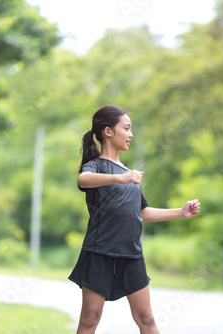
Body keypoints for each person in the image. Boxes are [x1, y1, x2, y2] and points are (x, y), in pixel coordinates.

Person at [69, 105, 200, 334]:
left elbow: (141, 212)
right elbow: (84, 180)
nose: (130, 134)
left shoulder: (129, 174)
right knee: (90, 319)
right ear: (108, 132)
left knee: (147, 319)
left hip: (131, 254)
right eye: (126, 128)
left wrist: (180, 212)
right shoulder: (100, 167)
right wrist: (120, 178)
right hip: (100, 252)